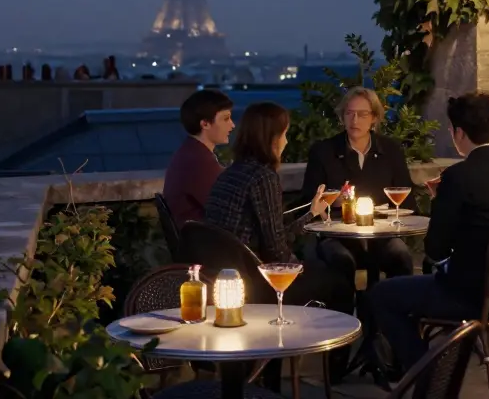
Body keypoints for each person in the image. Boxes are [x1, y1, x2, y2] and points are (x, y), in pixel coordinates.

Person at [370, 92, 489, 384]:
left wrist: (441, 201)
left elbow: (436, 249)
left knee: (382, 294)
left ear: (458, 132)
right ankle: (430, 372)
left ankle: (428, 375)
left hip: (467, 297)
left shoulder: (458, 177)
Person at [203, 102, 355, 315]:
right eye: (284, 134)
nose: (286, 140)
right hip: (257, 280)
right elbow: (276, 250)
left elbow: (270, 231)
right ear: (272, 138)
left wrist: (311, 213)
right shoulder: (263, 177)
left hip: (226, 273)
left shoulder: (232, 172)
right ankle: (330, 346)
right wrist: (300, 269)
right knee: (339, 284)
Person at [301, 87, 417, 283]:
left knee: (401, 256)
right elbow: (308, 200)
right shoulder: (323, 151)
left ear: (374, 118)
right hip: (336, 234)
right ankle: (343, 313)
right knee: (341, 261)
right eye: (349, 113)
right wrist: (331, 202)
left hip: (382, 233)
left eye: (362, 114)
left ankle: (393, 310)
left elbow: (408, 200)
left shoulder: (391, 150)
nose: (355, 120)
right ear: (342, 116)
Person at [163, 89, 233, 228]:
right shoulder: (198, 161)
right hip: (207, 244)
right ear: (205, 124)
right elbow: (226, 209)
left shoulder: (190, 153)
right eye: (226, 119)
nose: (232, 125)